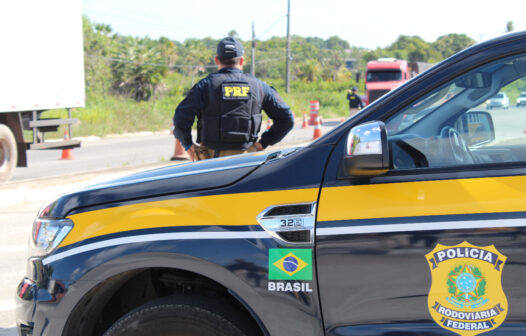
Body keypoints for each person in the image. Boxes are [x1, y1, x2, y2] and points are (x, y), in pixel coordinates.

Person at [173, 37, 295, 161]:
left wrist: (188, 145)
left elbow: (180, 118)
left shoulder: (205, 85)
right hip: (249, 160)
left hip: (211, 160)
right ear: (241, 60)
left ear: (216, 60)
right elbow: (286, 119)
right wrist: (264, 142)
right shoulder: (259, 86)